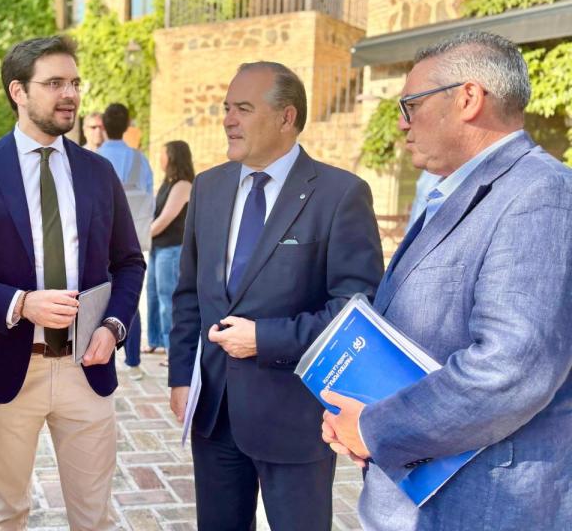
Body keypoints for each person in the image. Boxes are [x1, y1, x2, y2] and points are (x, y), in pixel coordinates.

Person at [322, 31, 572, 529]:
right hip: (422, 491)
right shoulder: (468, 191)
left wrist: (376, 428)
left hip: (479, 505)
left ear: (467, 98)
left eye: (411, 103)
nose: (401, 122)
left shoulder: (540, 194)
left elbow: (512, 367)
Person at [0, 35, 145, 531]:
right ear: (19, 92)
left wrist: (112, 327)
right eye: (53, 83)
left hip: (84, 369)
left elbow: (130, 263)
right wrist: (20, 304)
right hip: (8, 369)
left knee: (94, 518)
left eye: (73, 83)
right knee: (7, 514)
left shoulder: (98, 172)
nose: (69, 94)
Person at [168, 61, 383, 531]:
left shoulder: (340, 194)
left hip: (294, 419)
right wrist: (181, 376)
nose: (228, 119)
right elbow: (188, 293)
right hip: (215, 414)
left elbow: (356, 312)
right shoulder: (208, 186)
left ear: (287, 117)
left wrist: (267, 339)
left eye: (243, 108)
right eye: (227, 108)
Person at [97, 102, 153, 380]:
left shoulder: (89, 158)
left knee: (93, 298)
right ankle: (133, 360)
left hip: (98, 244)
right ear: (127, 126)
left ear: (103, 127)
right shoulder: (140, 161)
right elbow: (150, 195)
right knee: (128, 295)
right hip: (132, 240)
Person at [146, 140, 193, 358]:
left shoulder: (183, 185)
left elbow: (164, 220)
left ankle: (171, 349)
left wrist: (137, 240)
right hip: (158, 248)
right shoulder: (167, 182)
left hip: (171, 250)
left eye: (163, 154)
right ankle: (155, 341)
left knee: (167, 300)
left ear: (173, 156)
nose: (160, 159)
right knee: (153, 296)